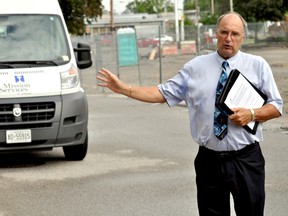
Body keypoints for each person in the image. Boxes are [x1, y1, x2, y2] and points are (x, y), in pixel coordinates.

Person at [96, 12, 283, 216]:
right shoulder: (195, 67)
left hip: (246, 159)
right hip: (210, 161)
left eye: (235, 34)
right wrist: (125, 89)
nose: (229, 38)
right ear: (216, 34)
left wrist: (252, 114)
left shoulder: (258, 66)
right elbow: (161, 93)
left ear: (242, 37)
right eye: (224, 32)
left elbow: (276, 106)